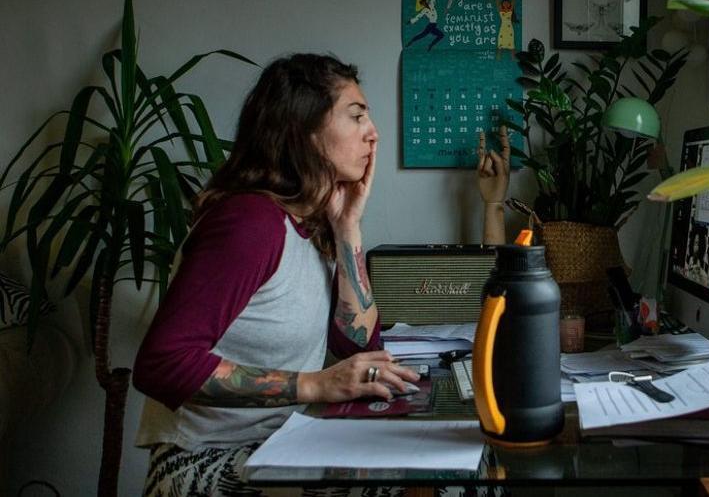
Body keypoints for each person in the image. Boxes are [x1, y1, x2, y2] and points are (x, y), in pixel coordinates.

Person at [132, 54, 511, 496]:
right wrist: (317, 384)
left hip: (284, 441)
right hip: (206, 461)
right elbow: (161, 365)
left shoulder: (312, 224)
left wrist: (348, 227)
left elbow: (358, 344)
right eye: (356, 117)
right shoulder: (249, 223)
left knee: (475, 459)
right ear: (306, 131)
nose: (374, 133)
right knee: (453, 482)